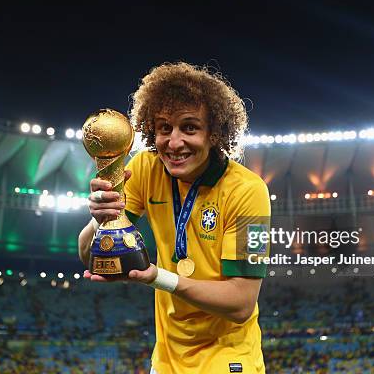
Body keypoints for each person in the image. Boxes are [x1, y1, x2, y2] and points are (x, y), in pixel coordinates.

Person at [78, 62, 271, 374]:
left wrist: (156, 276)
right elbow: (89, 255)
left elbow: (241, 303)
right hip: (166, 361)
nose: (174, 142)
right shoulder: (145, 169)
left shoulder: (249, 191)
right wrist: (100, 217)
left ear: (215, 134)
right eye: (164, 128)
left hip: (229, 358)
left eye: (190, 127)